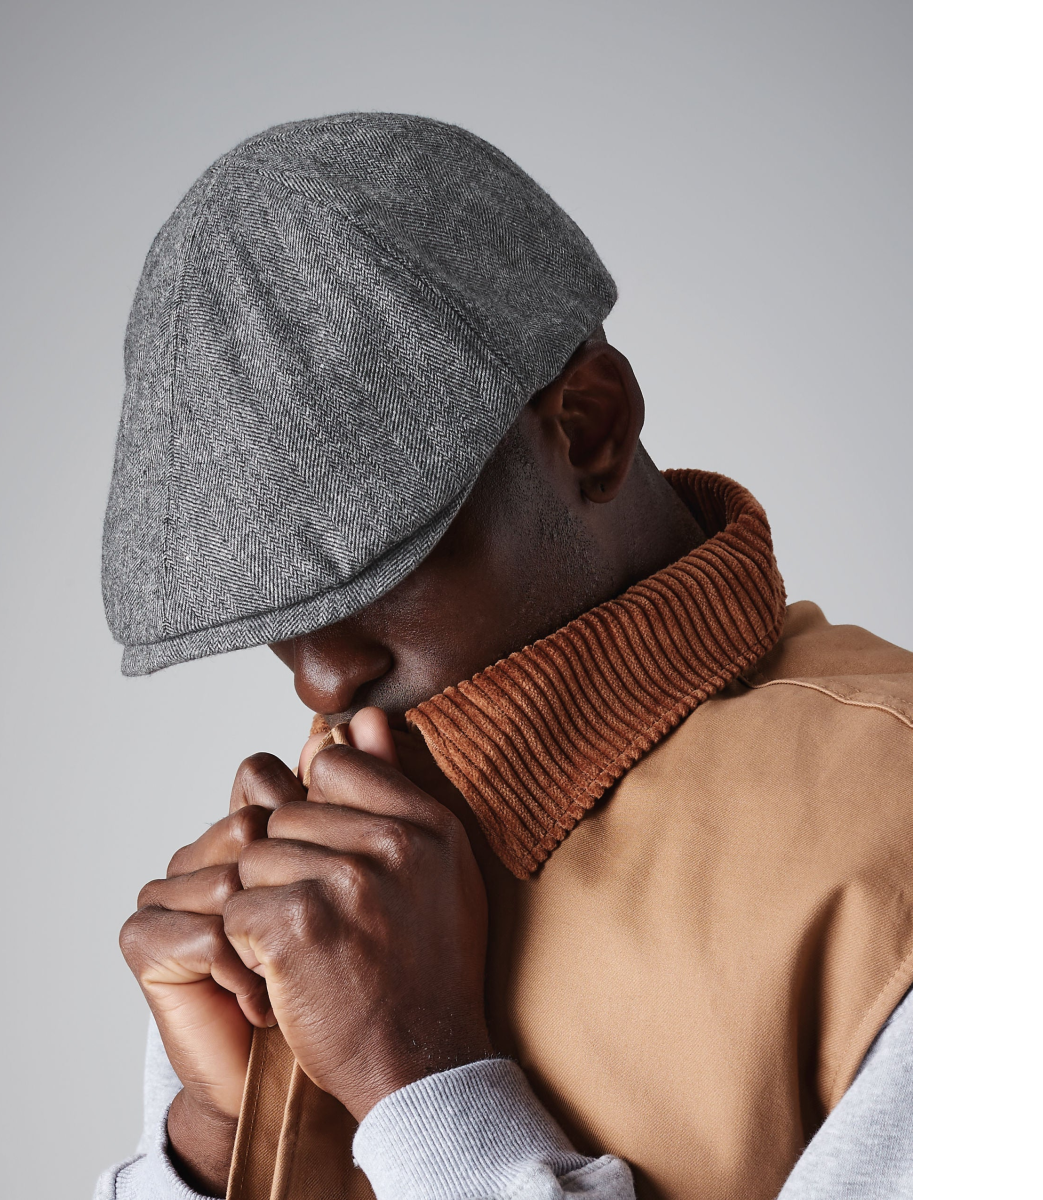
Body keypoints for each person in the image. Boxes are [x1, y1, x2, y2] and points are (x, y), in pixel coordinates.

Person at [96, 113, 911, 1200]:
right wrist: (213, 1139)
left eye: (382, 564)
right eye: (274, 614)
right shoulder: (319, 878)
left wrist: (418, 1085)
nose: (317, 679)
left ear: (589, 427)